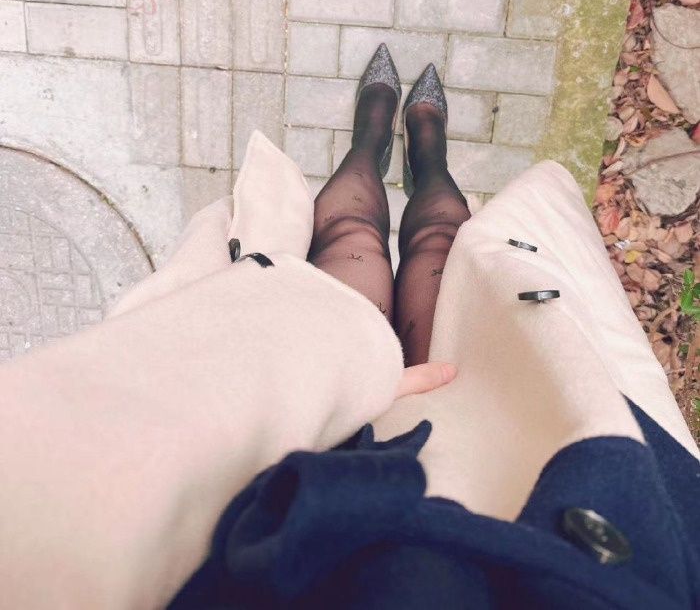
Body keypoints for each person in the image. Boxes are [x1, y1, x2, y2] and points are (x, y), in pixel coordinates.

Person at [0, 45, 698, 610]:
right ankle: (421, 152)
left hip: (282, 500)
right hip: (531, 480)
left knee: (352, 240)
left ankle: (374, 140)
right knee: (446, 253)